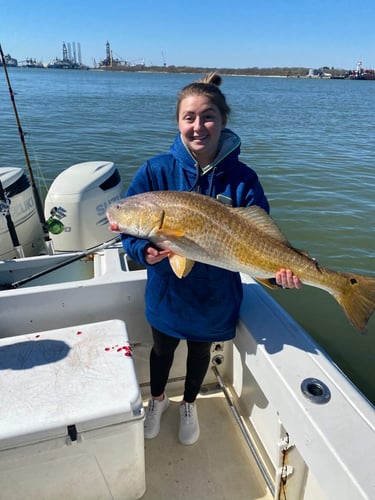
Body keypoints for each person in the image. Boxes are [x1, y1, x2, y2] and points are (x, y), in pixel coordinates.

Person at [121, 73, 301, 446]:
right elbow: (128, 233)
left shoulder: (243, 179)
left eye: (207, 117)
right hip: (168, 292)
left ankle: (188, 403)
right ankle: (157, 400)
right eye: (189, 117)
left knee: (200, 351)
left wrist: (278, 272)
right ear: (178, 123)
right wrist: (144, 251)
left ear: (223, 121)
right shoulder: (155, 171)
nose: (198, 126)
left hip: (216, 295)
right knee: (162, 349)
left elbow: (263, 235)